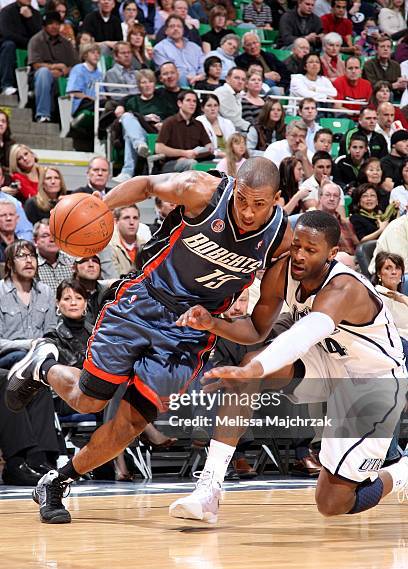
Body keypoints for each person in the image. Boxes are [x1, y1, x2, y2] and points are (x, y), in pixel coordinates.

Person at [6, 157, 291, 523]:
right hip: (143, 302)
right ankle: (43, 367)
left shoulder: (279, 241)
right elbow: (144, 185)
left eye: (260, 204)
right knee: (90, 401)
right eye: (242, 200)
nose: (248, 212)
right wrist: (99, 207)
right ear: (233, 186)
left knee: (132, 423)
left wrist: (213, 323)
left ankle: (58, 480)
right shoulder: (199, 189)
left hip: (189, 333)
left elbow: (258, 329)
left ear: (277, 199)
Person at [169, 210, 407, 523]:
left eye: (311, 250)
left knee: (332, 504)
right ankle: (209, 490)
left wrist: (255, 369)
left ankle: (401, 472)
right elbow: (256, 329)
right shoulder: (283, 271)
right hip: (325, 361)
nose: (299, 256)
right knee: (250, 366)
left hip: (371, 381)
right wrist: (213, 323)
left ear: (331, 254)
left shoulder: (344, 289)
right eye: (296, 246)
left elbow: (303, 334)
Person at [0, 240, 60, 486]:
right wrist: (27, 345)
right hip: (4, 360)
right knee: (9, 379)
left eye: (32, 256)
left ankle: (39, 459)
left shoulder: (45, 292)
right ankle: (16, 462)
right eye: (22, 256)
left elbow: (51, 333)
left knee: (39, 383)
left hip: (33, 360)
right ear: (10, 263)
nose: (29, 261)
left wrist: (39, 349)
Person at [28, 11, 78, 123]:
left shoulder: (66, 43)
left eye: (57, 24)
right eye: (50, 23)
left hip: (62, 77)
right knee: (44, 72)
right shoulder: (36, 40)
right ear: (45, 25)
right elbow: (35, 64)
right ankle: (43, 114)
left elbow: (76, 66)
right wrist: (54, 67)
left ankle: (71, 119)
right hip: (38, 77)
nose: (54, 26)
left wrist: (63, 72)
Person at [155, 90, 213, 172]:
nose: (192, 104)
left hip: (195, 159)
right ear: (180, 103)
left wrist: (196, 154)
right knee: (190, 163)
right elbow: (159, 148)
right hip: (171, 163)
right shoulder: (170, 122)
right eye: (188, 100)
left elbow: (209, 146)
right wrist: (184, 153)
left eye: (194, 101)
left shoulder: (198, 124)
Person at [0, 0, 42, 96]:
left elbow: (39, 37)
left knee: (41, 50)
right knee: (9, 45)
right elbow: (6, 34)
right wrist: (28, 42)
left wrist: (29, 19)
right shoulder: (7, 11)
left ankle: (32, 87)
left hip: (28, 47)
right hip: (10, 46)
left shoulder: (35, 14)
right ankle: (6, 85)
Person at [152, 15, 204, 88]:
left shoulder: (195, 47)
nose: (176, 29)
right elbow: (167, 72)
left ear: (183, 30)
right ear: (166, 30)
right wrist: (187, 78)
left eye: (179, 26)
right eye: (172, 26)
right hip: (176, 87)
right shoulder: (159, 49)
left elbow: (203, 66)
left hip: (199, 82)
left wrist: (199, 76)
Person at [373, 252, 408, 347]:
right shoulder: (377, 298)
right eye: (388, 268)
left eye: (397, 268)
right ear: (379, 274)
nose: (394, 272)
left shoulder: (400, 296)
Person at [110, 204, 151, 276]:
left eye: (135, 218)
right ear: (116, 222)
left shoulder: (147, 246)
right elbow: (112, 279)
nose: (132, 222)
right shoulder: (109, 247)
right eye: (126, 218)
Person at [66, 43, 102, 121]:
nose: (96, 55)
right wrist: (93, 99)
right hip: (80, 104)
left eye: (98, 53)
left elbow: (102, 94)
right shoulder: (78, 69)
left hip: (95, 104)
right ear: (85, 55)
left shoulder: (99, 74)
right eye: (93, 52)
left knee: (108, 104)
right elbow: (73, 92)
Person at [196, 93, 235, 159]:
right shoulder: (198, 122)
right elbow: (199, 147)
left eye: (215, 105)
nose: (213, 108)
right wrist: (217, 153)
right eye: (209, 105)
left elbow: (234, 143)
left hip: (229, 158)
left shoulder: (228, 123)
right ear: (202, 108)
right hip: (208, 158)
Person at [214, 67, 250, 134]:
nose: (240, 82)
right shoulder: (223, 92)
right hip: (221, 133)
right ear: (227, 79)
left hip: (231, 131)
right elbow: (233, 119)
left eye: (243, 79)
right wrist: (252, 127)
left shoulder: (237, 94)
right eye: (236, 78)